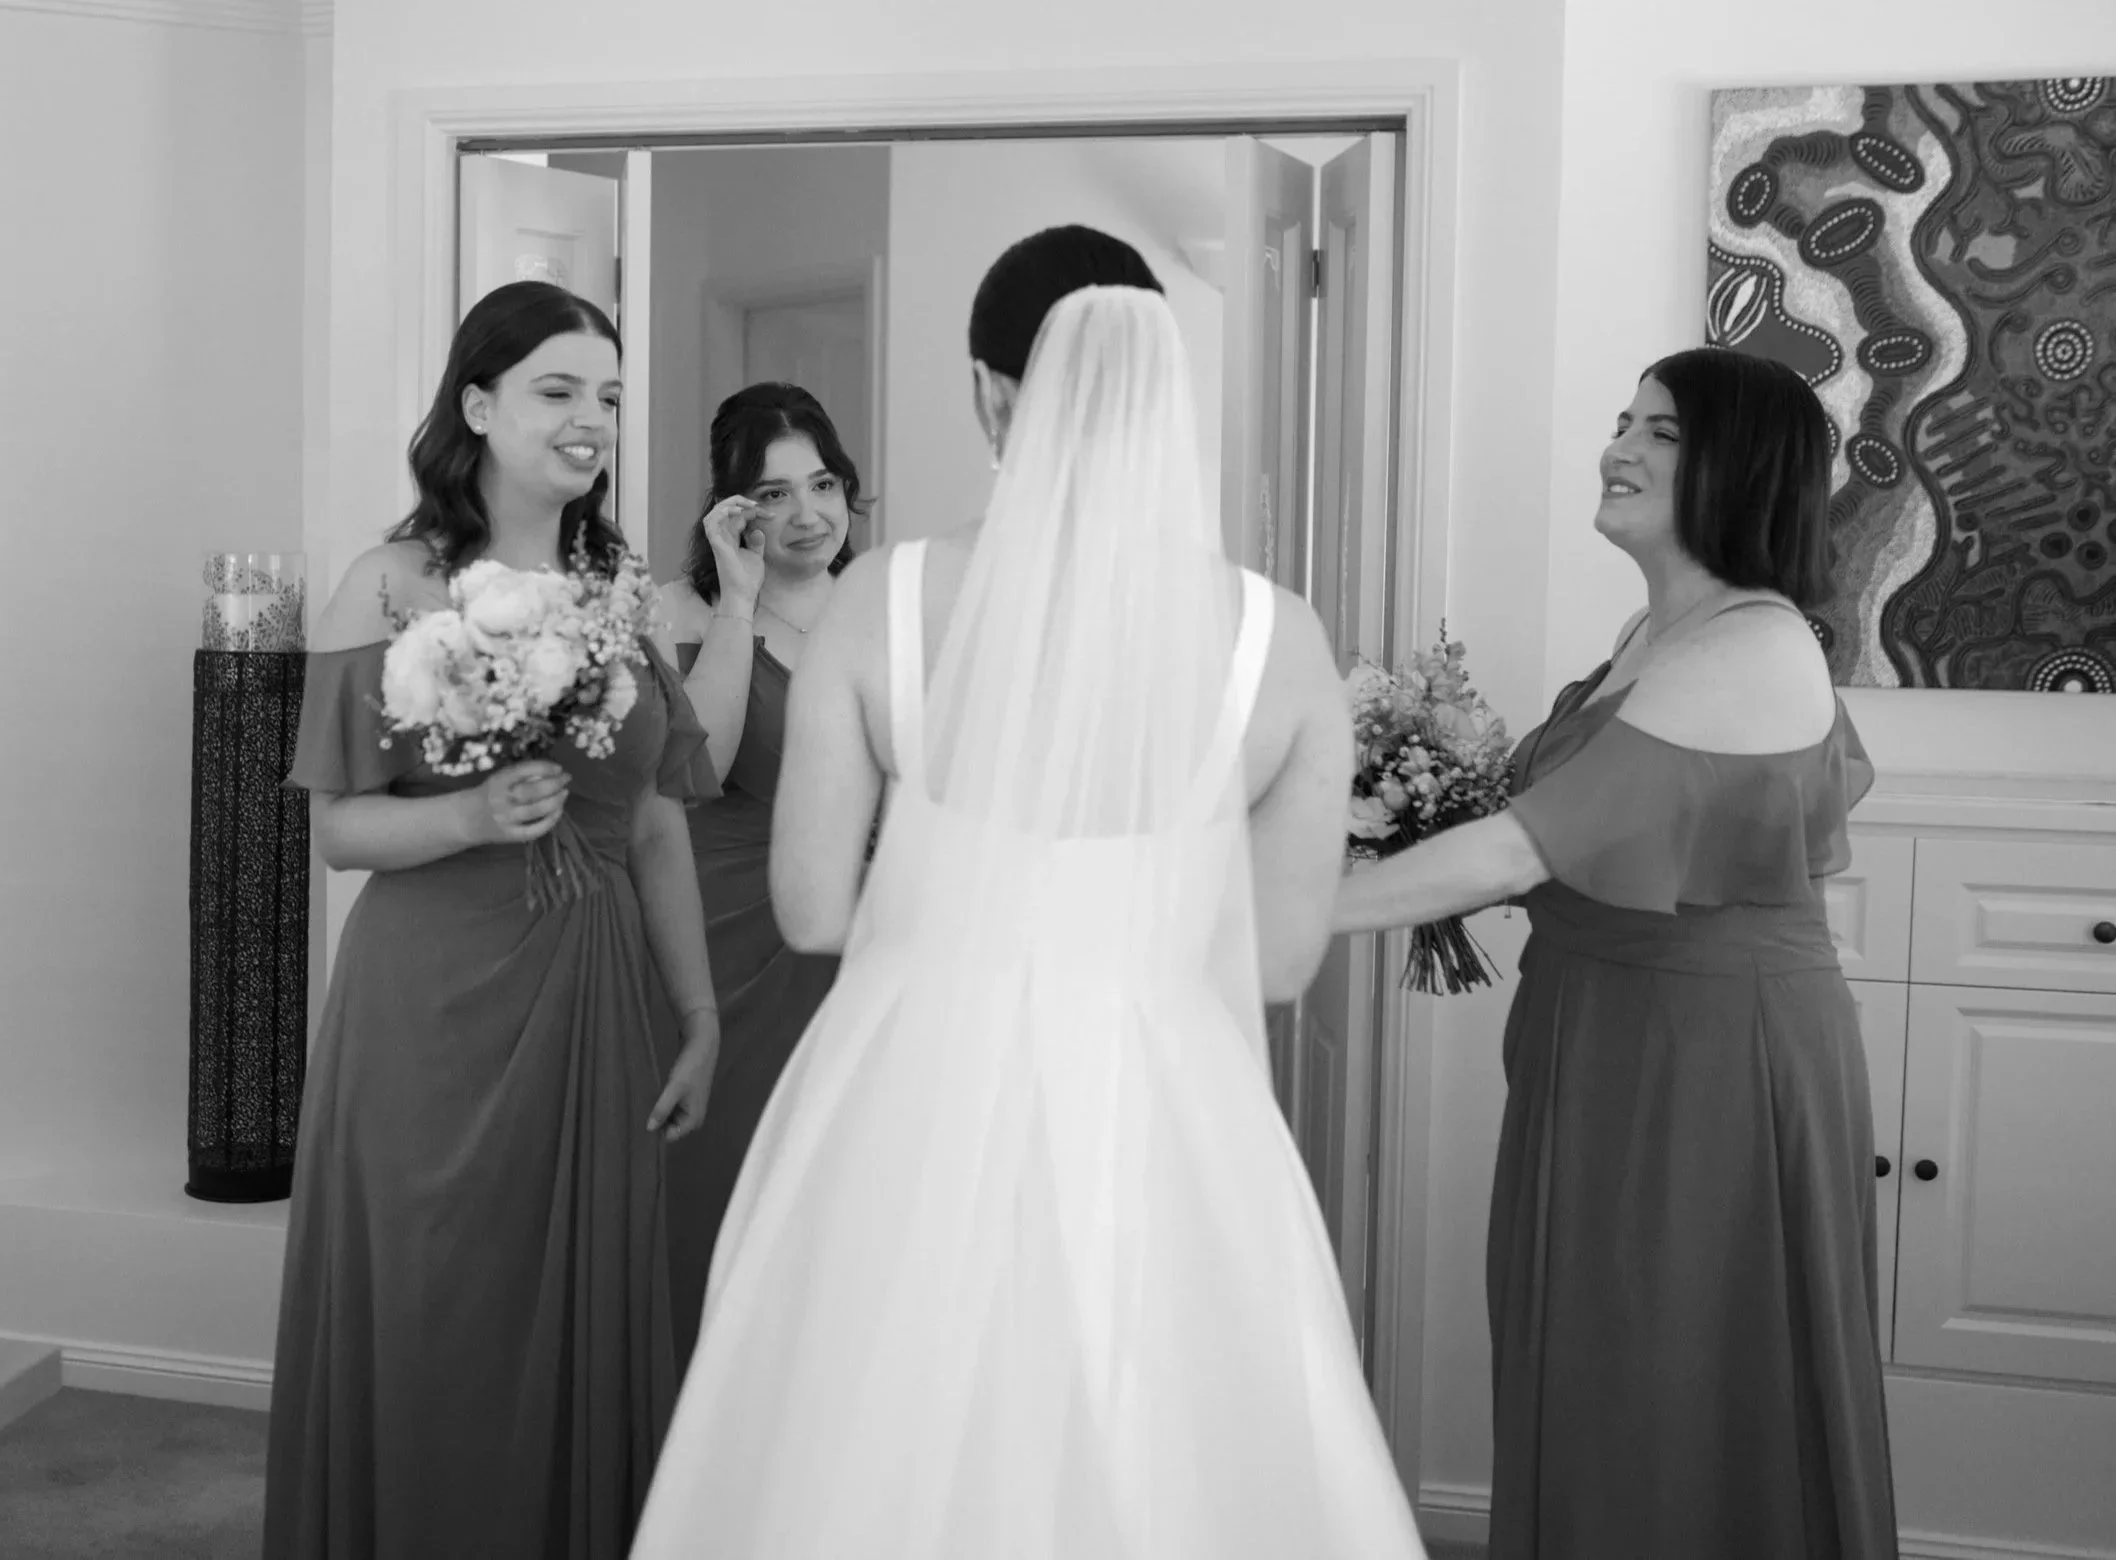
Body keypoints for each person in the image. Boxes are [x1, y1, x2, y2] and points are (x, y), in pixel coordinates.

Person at [629, 226, 1426, 1559]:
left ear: (991, 393)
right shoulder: (1276, 634)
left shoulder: (882, 600)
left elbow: (815, 911)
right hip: (1164, 1091)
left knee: (869, 1444)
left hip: (911, 1084)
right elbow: (1282, 963)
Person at [1329, 347, 1898, 1559]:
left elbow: (1521, 852)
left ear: (1743, 469)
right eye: (1621, 420)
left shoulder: (1751, 645)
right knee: (1597, 1357)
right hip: (1608, 1038)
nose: (1617, 448)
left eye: (1663, 433)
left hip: (1709, 1067)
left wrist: (1255, 905)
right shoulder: (1657, 628)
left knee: (1670, 1374)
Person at [264, 281, 723, 1560]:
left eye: (611, 399)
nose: (592, 423)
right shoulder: (391, 584)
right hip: (430, 1013)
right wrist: (468, 820)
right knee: (436, 1313)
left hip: (594, 998)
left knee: (582, 1312)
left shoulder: (621, 591)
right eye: (559, 390)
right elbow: (343, 831)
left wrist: (695, 1013)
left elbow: (654, 823)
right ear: (479, 404)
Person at [654, 382, 864, 1362]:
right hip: (734, 937)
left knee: (846, 1213)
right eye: (774, 494)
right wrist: (739, 605)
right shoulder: (685, 613)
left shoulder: (885, 607)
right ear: (732, 509)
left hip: (864, 940)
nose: (809, 514)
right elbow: (697, 769)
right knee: (731, 1192)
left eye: (821, 483)